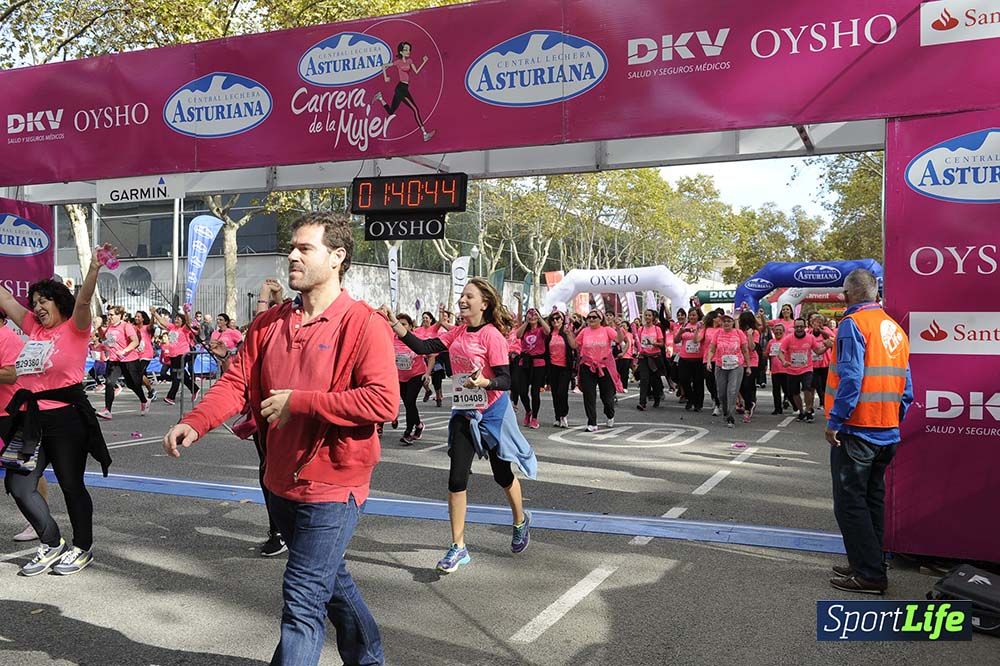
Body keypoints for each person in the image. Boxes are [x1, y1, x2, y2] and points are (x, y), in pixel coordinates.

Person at [164, 212, 396, 665]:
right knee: (330, 583)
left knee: (302, 599)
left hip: (335, 485)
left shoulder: (364, 324)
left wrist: (303, 403)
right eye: (292, 246)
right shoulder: (269, 323)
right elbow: (236, 383)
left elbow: (383, 402)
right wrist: (196, 421)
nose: (292, 254)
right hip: (278, 481)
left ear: (337, 257)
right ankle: (370, 658)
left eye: (305, 248)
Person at [389, 278, 536, 573]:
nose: (462, 300)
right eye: (462, 296)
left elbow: (507, 380)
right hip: (464, 410)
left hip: (493, 412)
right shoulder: (456, 332)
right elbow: (423, 345)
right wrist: (395, 324)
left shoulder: (492, 336)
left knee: (502, 474)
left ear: (485, 303)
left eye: (469, 296)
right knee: (457, 479)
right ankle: (458, 546)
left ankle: (520, 520)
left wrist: (485, 382)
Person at [0, 245, 112, 576]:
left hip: (66, 418)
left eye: (43, 301)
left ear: (57, 302)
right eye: (33, 303)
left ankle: (82, 547)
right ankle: (51, 541)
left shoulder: (75, 328)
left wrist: (93, 268)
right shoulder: (34, 328)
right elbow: (5, 299)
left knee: (70, 484)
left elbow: (83, 301)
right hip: (32, 419)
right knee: (19, 485)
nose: (36, 308)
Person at [825, 269, 912, 595]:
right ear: (875, 294)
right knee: (872, 499)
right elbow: (908, 388)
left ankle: (869, 574)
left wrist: (835, 421)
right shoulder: (894, 328)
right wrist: (893, 416)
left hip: (857, 428)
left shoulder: (852, 325)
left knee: (850, 503)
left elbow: (850, 378)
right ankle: (870, 561)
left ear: (847, 295)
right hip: (887, 429)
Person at [569, 311, 623, 432]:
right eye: (589, 317)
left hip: (604, 367)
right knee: (589, 395)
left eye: (594, 317)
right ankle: (592, 422)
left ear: (600, 319)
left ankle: (610, 414)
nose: (591, 319)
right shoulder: (584, 331)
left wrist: (618, 328)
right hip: (587, 366)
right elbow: (574, 345)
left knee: (607, 397)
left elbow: (619, 339)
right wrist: (568, 334)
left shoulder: (607, 330)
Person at [374, 41, 435, 141]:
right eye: (406, 50)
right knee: (415, 109)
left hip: (404, 88)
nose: (408, 51)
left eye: (409, 49)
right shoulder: (398, 62)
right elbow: (384, 66)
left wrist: (424, 61)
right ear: (401, 52)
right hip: (401, 89)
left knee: (391, 111)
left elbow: (416, 71)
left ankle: (380, 98)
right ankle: (425, 134)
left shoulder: (410, 61)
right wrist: (385, 77)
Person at [97, 305, 149, 419]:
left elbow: (135, 341)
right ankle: (107, 410)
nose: (109, 317)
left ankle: (144, 400)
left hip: (129, 359)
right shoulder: (110, 327)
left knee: (133, 384)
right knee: (109, 382)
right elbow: (103, 337)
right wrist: (98, 327)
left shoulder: (126, 326)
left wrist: (124, 350)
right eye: (108, 314)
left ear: (119, 315)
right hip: (114, 361)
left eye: (112, 315)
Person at [391, 313, 434, 445]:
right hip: (399, 376)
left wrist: (427, 373)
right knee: (408, 404)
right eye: (398, 324)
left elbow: (431, 356)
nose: (400, 327)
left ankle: (408, 432)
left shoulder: (416, 338)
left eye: (403, 324)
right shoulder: (391, 338)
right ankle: (419, 425)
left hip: (416, 374)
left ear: (410, 326)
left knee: (410, 401)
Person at [778, 318, 832, 422]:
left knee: (807, 388)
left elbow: (817, 351)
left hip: (806, 369)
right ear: (794, 328)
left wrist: (826, 347)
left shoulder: (810, 338)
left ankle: (808, 410)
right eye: (797, 327)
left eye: (801, 327)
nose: (799, 329)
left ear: (805, 327)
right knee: (794, 392)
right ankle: (801, 412)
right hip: (792, 370)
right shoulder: (788, 338)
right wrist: (784, 361)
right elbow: (780, 352)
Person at [706, 313, 752, 428]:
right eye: (724, 321)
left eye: (729, 321)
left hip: (736, 366)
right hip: (720, 366)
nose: (726, 323)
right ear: (721, 323)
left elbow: (745, 350)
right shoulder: (718, 333)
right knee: (721, 393)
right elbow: (711, 349)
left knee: (732, 391)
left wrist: (748, 366)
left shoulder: (739, 333)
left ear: (733, 322)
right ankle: (726, 410)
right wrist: (708, 361)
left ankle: (731, 417)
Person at [153, 310, 199, 405]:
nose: (176, 320)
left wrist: (186, 313)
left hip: (182, 354)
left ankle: (171, 397)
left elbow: (188, 322)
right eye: (176, 318)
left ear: (182, 321)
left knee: (175, 375)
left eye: (179, 318)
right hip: (173, 355)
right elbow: (162, 322)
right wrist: (154, 313)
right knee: (182, 375)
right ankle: (194, 389)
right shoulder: (172, 328)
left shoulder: (184, 329)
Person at [514, 308, 550, 429]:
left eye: (535, 315)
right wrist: (526, 322)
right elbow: (518, 335)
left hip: (538, 363)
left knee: (535, 392)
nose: (532, 317)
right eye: (530, 315)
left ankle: (534, 417)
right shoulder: (525, 330)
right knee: (522, 391)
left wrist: (539, 318)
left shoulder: (541, 330)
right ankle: (528, 411)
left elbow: (548, 330)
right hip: (524, 362)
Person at [546, 310, 574, 428]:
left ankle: (563, 415)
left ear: (563, 320)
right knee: (555, 393)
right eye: (553, 319)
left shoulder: (566, 332)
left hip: (565, 367)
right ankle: (557, 416)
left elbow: (574, 346)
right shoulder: (549, 334)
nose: (555, 321)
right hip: (552, 367)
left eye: (558, 318)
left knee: (562, 392)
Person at [675, 307, 705, 412]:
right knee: (683, 379)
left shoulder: (702, 326)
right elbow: (676, 340)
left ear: (698, 316)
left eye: (694, 315)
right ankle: (690, 398)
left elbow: (697, 340)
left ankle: (698, 403)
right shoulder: (684, 325)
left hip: (698, 359)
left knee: (698, 382)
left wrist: (697, 329)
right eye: (690, 315)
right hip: (684, 358)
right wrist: (680, 332)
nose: (692, 317)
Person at [635, 309, 664, 411]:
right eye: (646, 315)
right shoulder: (641, 329)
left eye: (649, 315)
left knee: (655, 380)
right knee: (644, 379)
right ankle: (642, 402)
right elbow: (638, 343)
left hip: (655, 357)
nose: (647, 317)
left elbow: (662, 344)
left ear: (653, 317)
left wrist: (654, 343)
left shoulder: (657, 329)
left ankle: (657, 398)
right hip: (644, 357)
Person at [738, 311, 761, 424]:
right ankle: (749, 402)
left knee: (748, 384)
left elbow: (752, 348)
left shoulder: (755, 332)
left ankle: (748, 407)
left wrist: (750, 335)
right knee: (741, 385)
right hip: (740, 361)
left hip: (752, 361)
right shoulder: (739, 332)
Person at [698, 311, 722, 415]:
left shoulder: (722, 329)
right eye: (718, 317)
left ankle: (718, 404)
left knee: (717, 382)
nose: (720, 319)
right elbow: (697, 339)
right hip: (707, 358)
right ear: (713, 318)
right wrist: (697, 330)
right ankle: (715, 397)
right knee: (709, 382)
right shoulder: (706, 329)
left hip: (719, 359)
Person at [133, 310, 158, 402]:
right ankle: (150, 391)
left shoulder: (146, 327)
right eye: (135, 316)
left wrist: (152, 315)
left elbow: (151, 325)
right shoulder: (133, 328)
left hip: (146, 354)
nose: (136, 318)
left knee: (139, 373)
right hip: (136, 354)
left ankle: (151, 391)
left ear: (143, 318)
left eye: (138, 316)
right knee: (140, 375)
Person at [767, 323, 789, 415]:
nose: (778, 331)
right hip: (775, 370)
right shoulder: (771, 342)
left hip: (786, 369)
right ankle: (777, 408)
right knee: (776, 390)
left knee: (787, 390)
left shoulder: (787, 340)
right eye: (776, 330)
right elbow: (766, 353)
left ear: (783, 331)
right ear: (773, 331)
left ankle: (794, 405)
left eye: (780, 330)